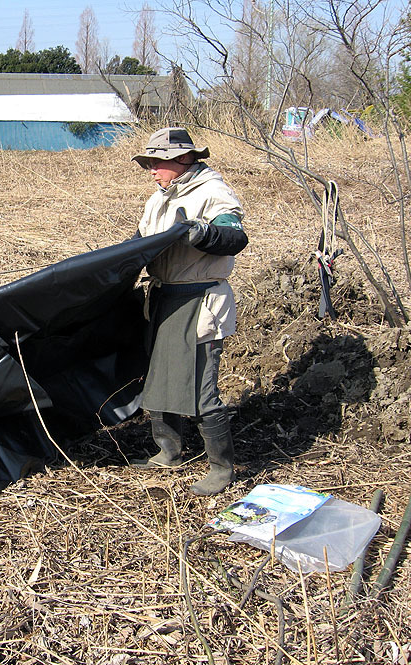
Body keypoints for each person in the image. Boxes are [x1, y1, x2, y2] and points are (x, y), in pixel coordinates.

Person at [130, 127, 248, 495]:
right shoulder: (157, 200)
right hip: (164, 299)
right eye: (148, 162)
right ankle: (168, 452)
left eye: (157, 162)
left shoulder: (213, 192)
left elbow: (235, 236)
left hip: (200, 302)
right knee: (160, 376)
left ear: (183, 160)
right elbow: (139, 242)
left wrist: (203, 233)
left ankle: (221, 468)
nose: (151, 169)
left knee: (201, 386)